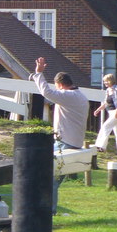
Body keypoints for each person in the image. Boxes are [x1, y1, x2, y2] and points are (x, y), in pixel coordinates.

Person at [31, 57, 89, 214]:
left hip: (65, 143)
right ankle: (44, 209)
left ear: (61, 85)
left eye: (58, 87)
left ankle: (49, 212)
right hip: (72, 142)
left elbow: (46, 92)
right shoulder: (81, 96)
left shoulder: (68, 96)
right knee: (49, 176)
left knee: (51, 179)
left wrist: (38, 73)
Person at [93, 73, 117, 158]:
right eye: (104, 82)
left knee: (105, 126)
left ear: (111, 81)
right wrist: (98, 110)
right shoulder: (108, 90)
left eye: (106, 81)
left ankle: (101, 146)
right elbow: (106, 103)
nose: (105, 83)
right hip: (111, 112)